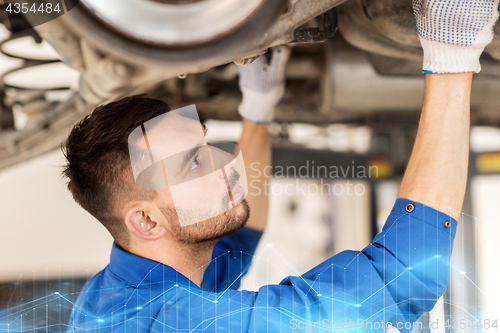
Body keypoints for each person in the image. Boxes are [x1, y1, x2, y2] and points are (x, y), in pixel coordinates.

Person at [64, 1, 499, 331]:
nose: (224, 159)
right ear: (145, 220)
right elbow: (402, 281)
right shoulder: (168, 322)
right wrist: (451, 53)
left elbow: (240, 239)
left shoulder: (140, 278)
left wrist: (258, 107)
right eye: (193, 163)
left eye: (206, 145)